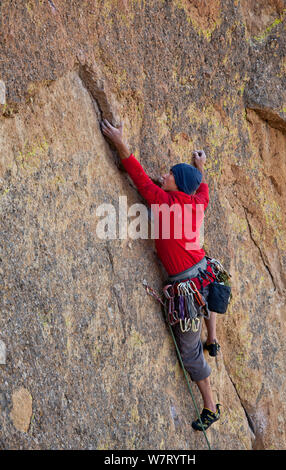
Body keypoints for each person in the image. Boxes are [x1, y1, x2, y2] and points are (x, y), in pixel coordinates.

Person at [100, 119, 221, 431]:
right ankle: (214, 338)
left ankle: (210, 406)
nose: (163, 175)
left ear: (176, 185)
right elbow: (202, 190)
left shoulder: (165, 203)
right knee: (208, 298)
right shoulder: (196, 203)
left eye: (169, 174)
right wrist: (200, 168)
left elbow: (140, 179)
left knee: (188, 351)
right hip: (202, 273)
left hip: (185, 284)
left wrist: (120, 142)